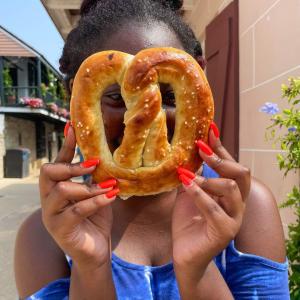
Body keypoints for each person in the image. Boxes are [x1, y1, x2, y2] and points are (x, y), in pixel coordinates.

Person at [14, 0, 290, 299]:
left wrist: (197, 270)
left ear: (199, 84)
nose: (147, 121)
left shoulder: (247, 210)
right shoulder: (46, 236)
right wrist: (90, 267)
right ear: (77, 99)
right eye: (116, 98)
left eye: (168, 94)